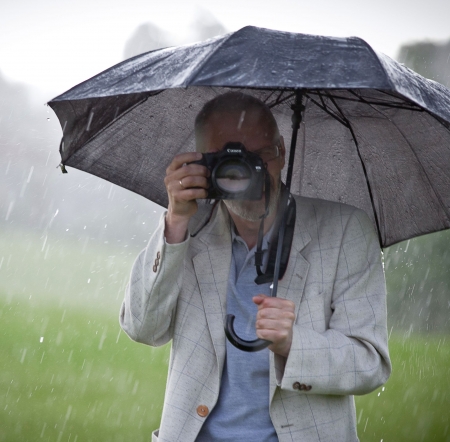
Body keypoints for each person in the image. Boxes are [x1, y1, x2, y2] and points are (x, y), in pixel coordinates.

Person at [120, 92, 391, 442]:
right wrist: (174, 222)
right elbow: (144, 328)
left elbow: (370, 363)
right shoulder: (189, 231)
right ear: (203, 165)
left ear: (281, 153)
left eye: (260, 156)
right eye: (230, 161)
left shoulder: (344, 231)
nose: (248, 173)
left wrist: (294, 344)